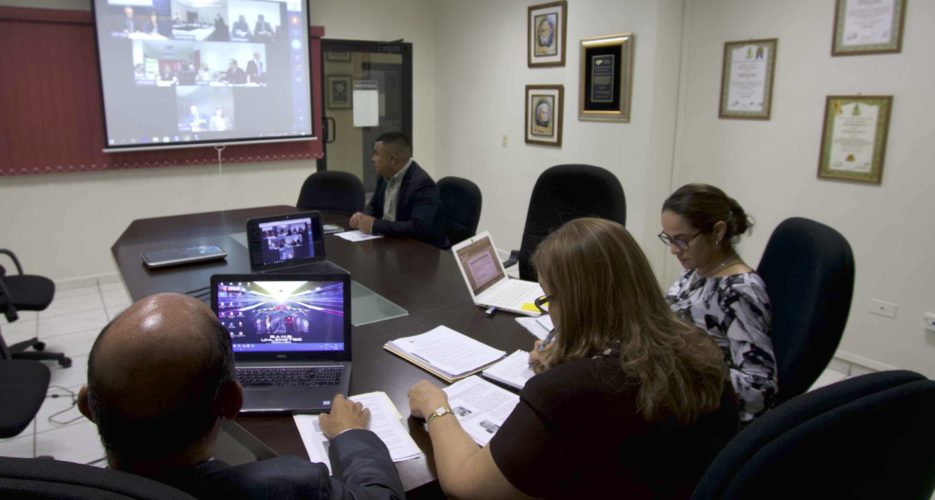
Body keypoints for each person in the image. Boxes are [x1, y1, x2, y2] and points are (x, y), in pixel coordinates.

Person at [408, 218, 738, 499]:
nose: (550, 312)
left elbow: (464, 485)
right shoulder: (698, 348)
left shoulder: (566, 392)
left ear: (578, 304)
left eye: (549, 298)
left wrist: (437, 407)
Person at [76, 293, 404, 499]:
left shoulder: (51, 486)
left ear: (87, 405)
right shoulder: (288, 486)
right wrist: (351, 434)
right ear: (232, 402)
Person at [661, 183, 777, 423]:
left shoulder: (740, 292)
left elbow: (758, 388)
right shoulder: (698, 269)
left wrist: (685, 370)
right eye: (669, 239)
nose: (674, 250)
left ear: (718, 232)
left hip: (697, 407)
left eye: (681, 240)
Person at [349, 132, 444, 247]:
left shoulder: (422, 184)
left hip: (418, 250)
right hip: (389, 242)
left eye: (376, 154)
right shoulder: (385, 174)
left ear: (392, 159)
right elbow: (374, 204)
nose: (372, 159)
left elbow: (418, 227)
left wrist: (374, 225)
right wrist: (362, 217)